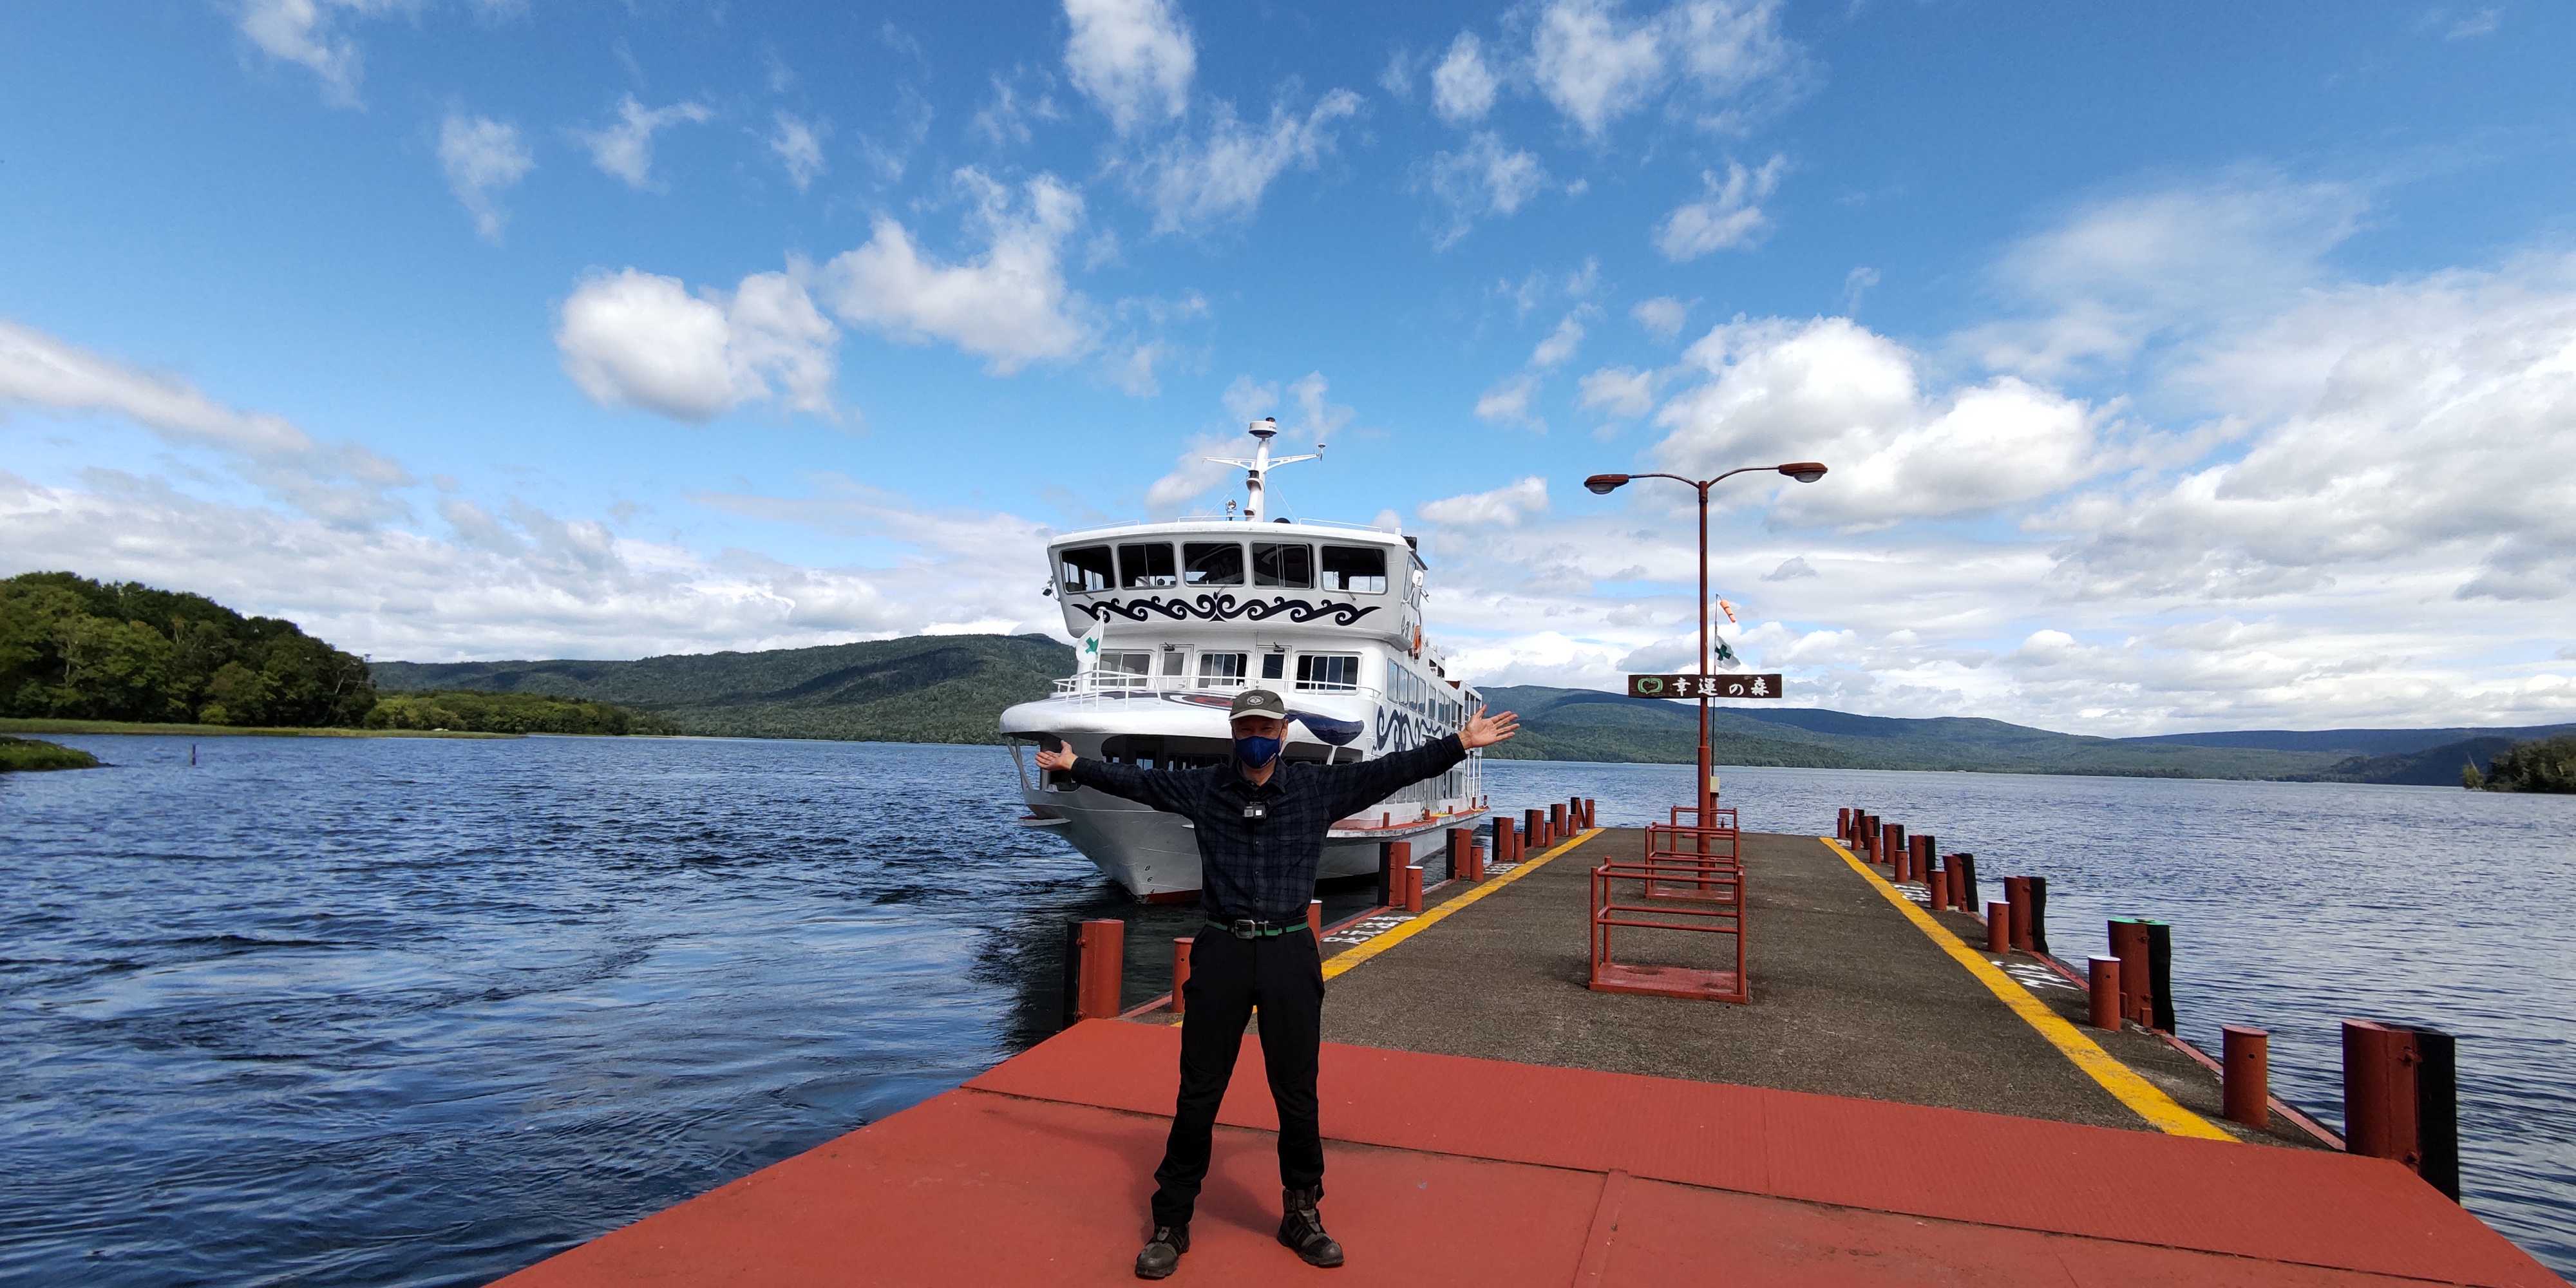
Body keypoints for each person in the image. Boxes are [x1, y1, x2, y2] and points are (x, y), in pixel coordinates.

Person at [1034, 687, 1519, 1279]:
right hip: (1222, 949)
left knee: (1297, 1090)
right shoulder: (1204, 788)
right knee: (1199, 1091)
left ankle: (1302, 1212)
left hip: (1290, 948)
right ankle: (1172, 1220)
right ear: (1234, 736)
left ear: (1283, 733)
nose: (1255, 738)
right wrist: (1071, 764)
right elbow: (1135, 782)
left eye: (1265, 728)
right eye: (1245, 729)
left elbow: (1396, 769)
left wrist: (1460, 744)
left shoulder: (1319, 789)